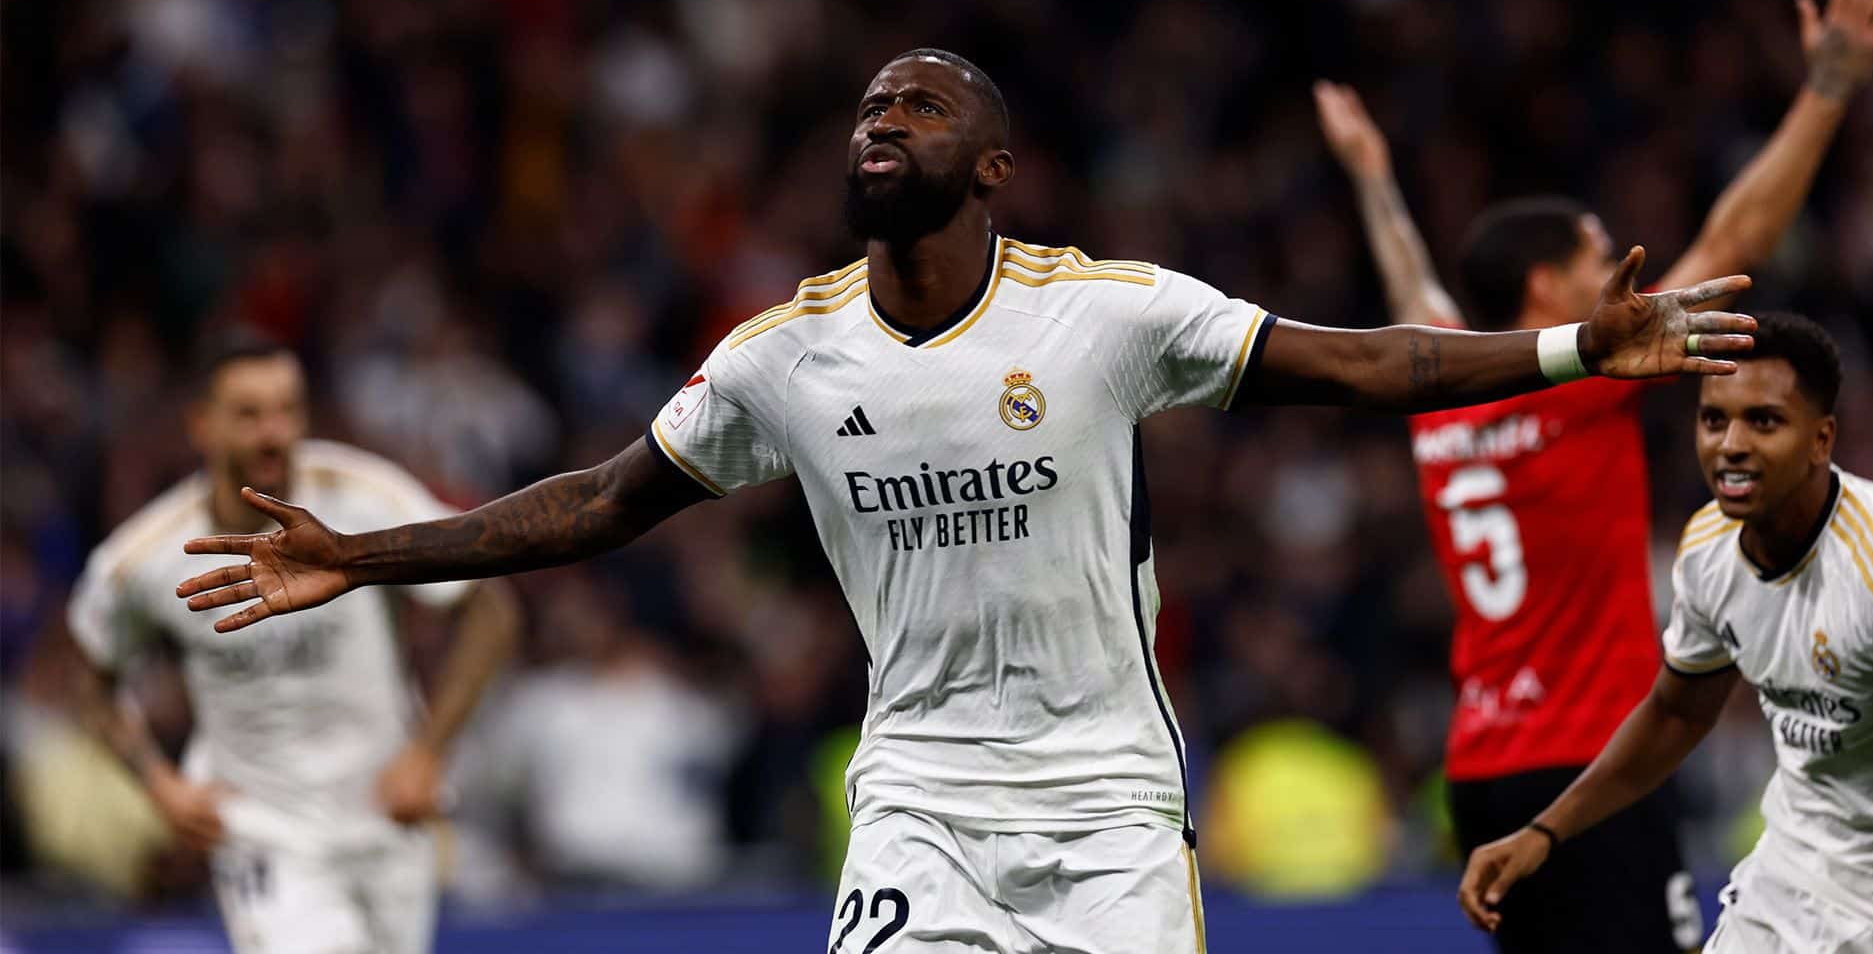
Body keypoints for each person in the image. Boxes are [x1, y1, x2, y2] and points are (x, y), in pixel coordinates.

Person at [175, 48, 1756, 954]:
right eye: (871, 107)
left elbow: (1370, 363)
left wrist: (1565, 351)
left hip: (1109, 806)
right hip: (920, 799)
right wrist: (367, 556)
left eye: (923, 107)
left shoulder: (1107, 314)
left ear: (994, 167)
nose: (884, 119)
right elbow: (599, 500)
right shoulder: (785, 355)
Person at [1315, 0, 1873, 952]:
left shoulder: (1439, 398)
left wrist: (1373, 176)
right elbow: (1737, 237)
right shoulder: (1586, 384)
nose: (1614, 272)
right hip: (1593, 764)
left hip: (1481, 767)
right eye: (1596, 255)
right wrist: (1829, 88)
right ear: (1548, 288)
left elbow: (1415, 295)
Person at [1459, 313, 1873, 952]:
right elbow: (1676, 714)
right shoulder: (1708, 547)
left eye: (1764, 421)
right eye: (1713, 420)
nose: (1730, 444)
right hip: (1792, 881)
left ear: (1821, 440)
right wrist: (1544, 833)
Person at [65, 332, 519, 954]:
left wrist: (430, 752)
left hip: (386, 814)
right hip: (262, 830)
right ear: (203, 424)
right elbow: (91, 677)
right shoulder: (143, 559)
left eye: (286, 410)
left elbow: (489, 609)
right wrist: (159, 783)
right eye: (249, 415)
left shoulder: (363, 498)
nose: (273, 433)